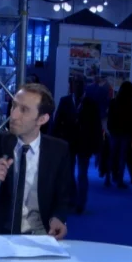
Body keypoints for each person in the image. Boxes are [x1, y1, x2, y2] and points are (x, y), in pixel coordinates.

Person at [0, 83, 76, 238]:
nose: (13, 115)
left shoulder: (58, 150)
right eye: (14, 106)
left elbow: (64, 197)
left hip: (41, 235)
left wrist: (58, 218)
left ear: (42, 119)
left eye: (24, 110)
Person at [52, 75, 102, 213]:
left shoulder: (91, 103)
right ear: (72, 85)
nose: (78, 86)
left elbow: (96, 126)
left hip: (85, 144)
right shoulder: (65, 101)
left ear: (85, 85)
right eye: (76, 83)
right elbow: (57, 122)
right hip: (68, 143)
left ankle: (81, 203)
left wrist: (97, 146)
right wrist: (54, 141)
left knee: (82, 174)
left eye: (81, 83)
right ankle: (72, 199)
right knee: (68, 173)